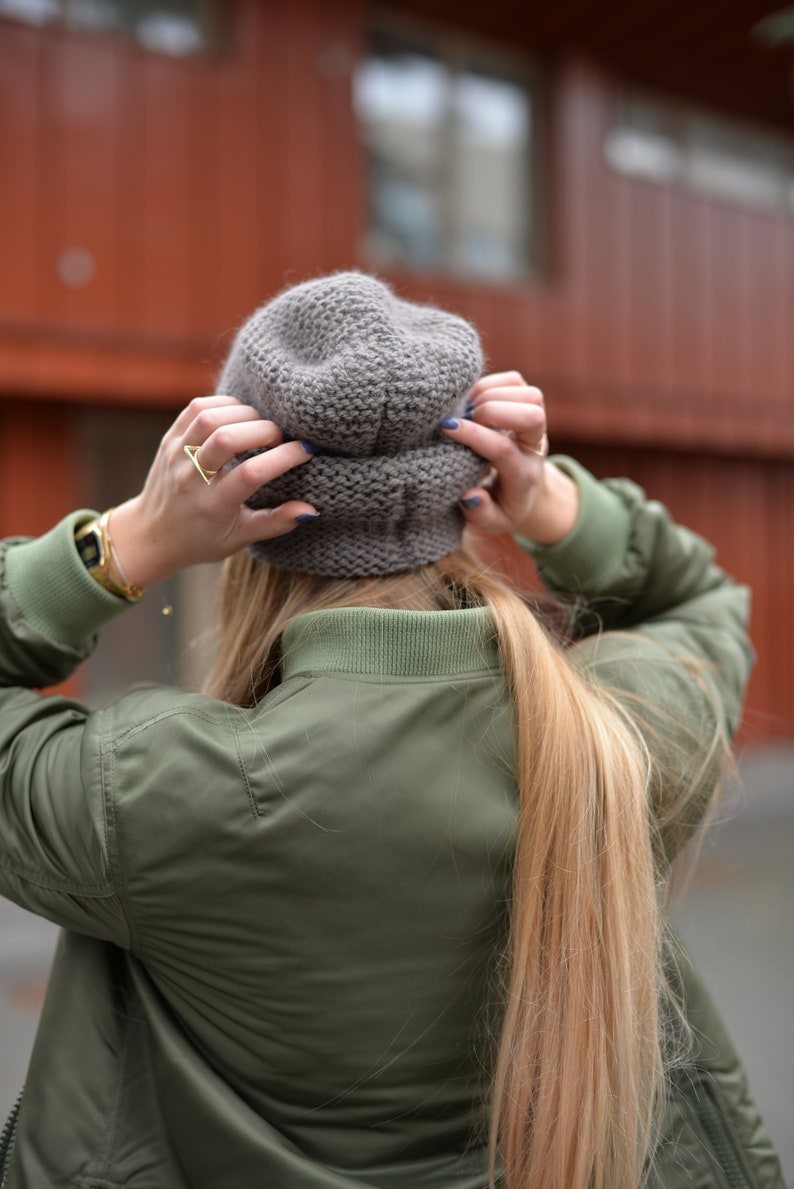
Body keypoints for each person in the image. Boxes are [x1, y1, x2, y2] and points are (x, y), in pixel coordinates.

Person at [0, 272, 784, 1189]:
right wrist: (553, 508)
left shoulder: (144, 792)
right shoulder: (617, 738)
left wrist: (128, 543)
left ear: (245, 526)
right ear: (463, 494)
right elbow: (701, 601)